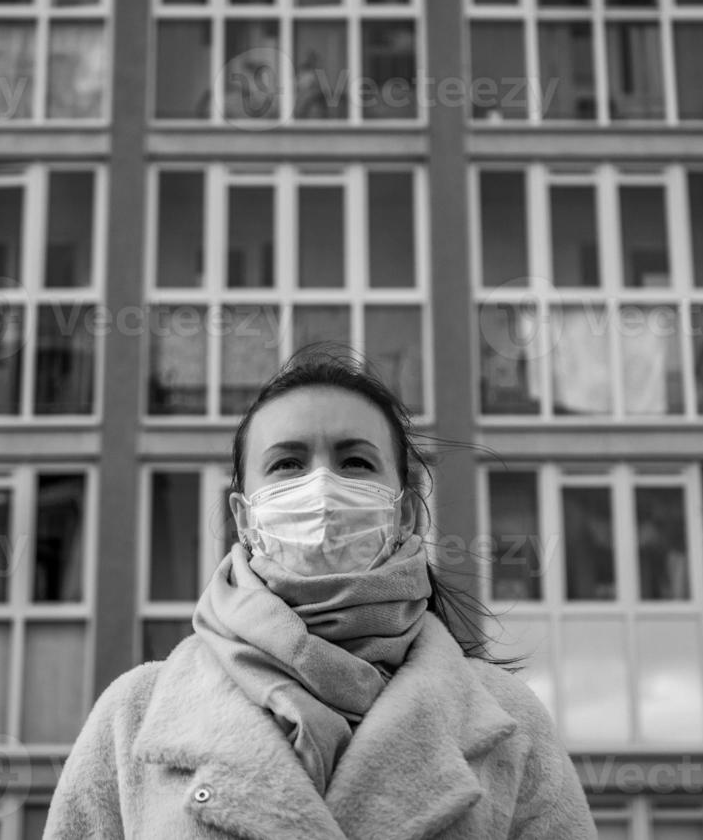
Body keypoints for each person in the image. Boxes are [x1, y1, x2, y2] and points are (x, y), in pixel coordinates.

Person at [45, 348, 597, 839]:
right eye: (287, 463)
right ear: (243, 516)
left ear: (404, 511)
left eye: (355, 462)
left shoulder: (509, 720)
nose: (322, 486)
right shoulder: (132, 715)